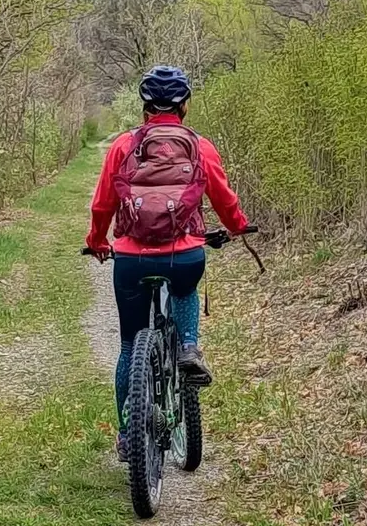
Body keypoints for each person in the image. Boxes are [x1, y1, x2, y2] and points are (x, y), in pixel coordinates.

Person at [84, 64, 253, 459]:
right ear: (185, 107)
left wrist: (97, 242)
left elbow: (102, 204)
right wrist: (238, 227)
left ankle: (128, 435)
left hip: (129, 259)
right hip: (185, 254)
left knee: (129, 347)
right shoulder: (199, 145)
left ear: (144, 107)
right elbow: (224, 199)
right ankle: (189, 347)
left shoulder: (123, 147)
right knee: (185, 287)